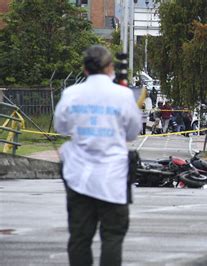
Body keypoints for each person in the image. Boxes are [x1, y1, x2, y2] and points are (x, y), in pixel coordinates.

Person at [54, 45, 141, 266]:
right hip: (112, 177)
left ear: (85, 69)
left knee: (79, 237)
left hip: (78, 175)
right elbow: (132, 132)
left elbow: (61, 127)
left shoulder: (72, 93)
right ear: (110, 67)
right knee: (112, 237)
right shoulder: (122, 95)